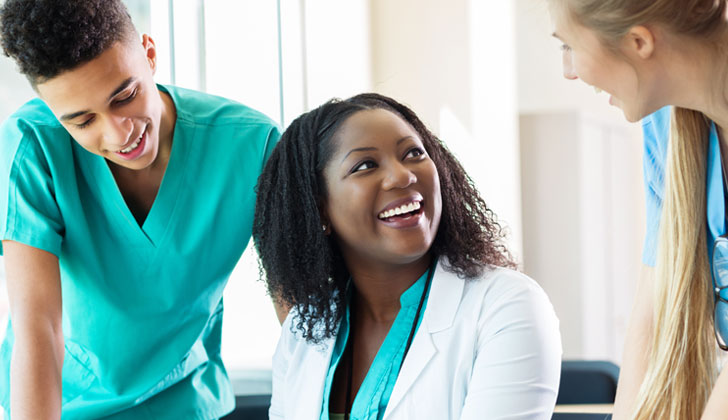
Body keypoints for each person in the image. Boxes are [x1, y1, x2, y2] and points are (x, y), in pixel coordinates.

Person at [0, 0, 280, 418]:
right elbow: (38, 326)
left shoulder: (251, 146)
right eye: (81, 122)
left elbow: (300, 312)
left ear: (149, 54)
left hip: (188, 402)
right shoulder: (31, 147)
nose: (119, 133)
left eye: (125, 96)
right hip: (63, 404)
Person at [254, 93, 562, 420]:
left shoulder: (506, 306)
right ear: (319, 208)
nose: (403, 176)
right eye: (366, 165)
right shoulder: (301, 329)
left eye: (413, 153)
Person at [550, 0, 728, 419]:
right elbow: (654, 313)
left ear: (639, 41)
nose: (569, 71)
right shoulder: (666, 122)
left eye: (568, 46)